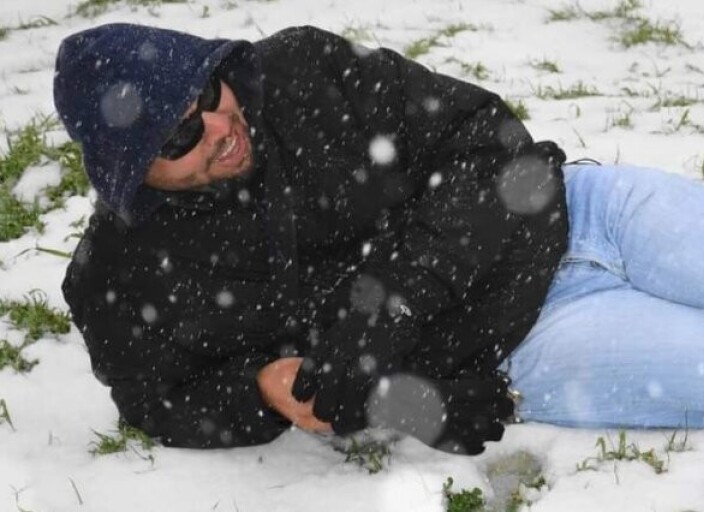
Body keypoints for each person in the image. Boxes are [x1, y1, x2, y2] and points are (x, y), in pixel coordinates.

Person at [53, 23, 704, 455]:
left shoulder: (302, 72)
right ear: (128, 171)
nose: (222, 125)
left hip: (584, 208)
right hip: (522, 343)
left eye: (209, 92)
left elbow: (489, 145)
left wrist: (390, 303)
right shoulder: (117, 279)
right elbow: (155, 397)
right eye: (179, 136)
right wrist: (262, 389)